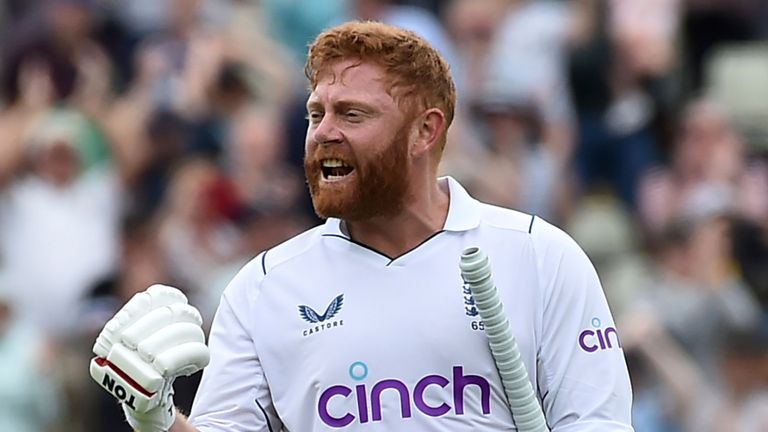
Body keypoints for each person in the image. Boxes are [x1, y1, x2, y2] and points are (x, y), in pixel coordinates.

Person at [89, 21, 634, 431]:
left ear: (425, 131)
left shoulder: (539, 257)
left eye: (352, 114)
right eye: (314, 114)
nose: (323, 133)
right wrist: (157, 418)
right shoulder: (263, 288)